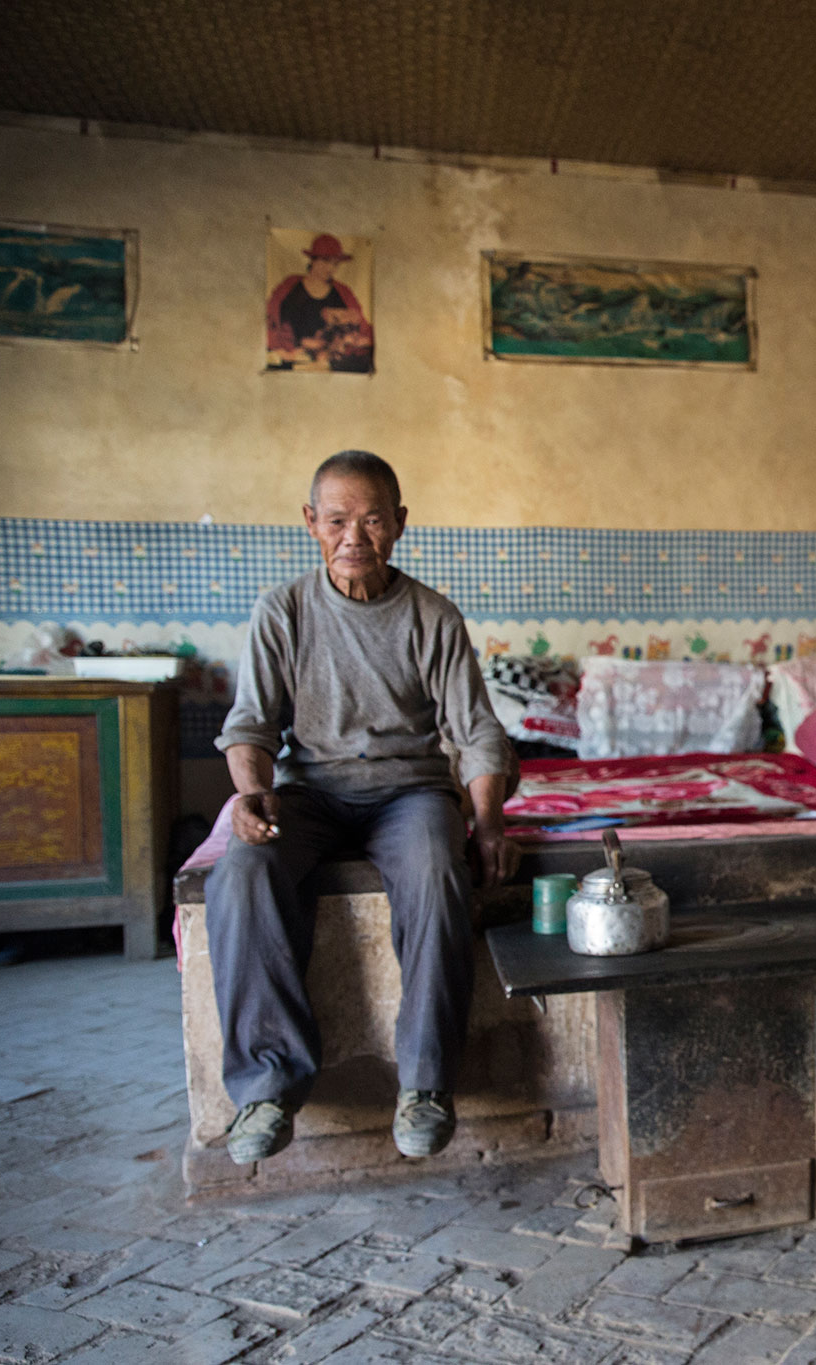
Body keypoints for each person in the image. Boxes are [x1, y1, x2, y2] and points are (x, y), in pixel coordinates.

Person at [208, 451, 519, 1164]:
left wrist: (489, 823)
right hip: (309, 789)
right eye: (339, 519)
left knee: (440, 868)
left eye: (373, 519)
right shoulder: (282, 610)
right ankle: (268, 1084)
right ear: (311, 523)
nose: (355, 536)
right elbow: (251, 724)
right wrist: (249, 792)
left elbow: (474, 732)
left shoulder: (431, 615)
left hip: (409, 790)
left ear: (401, 525)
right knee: (244, 868)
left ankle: (426, 1083)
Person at [265, 234, 374, 372]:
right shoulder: (290, 286)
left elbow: (361, 327)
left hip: (329, 362)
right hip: (288, 356)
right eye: (325, 261)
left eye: (335, 264)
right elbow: (269, 319)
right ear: (313, 260)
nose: (331, 268)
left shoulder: (343, 292)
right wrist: (283, 350)